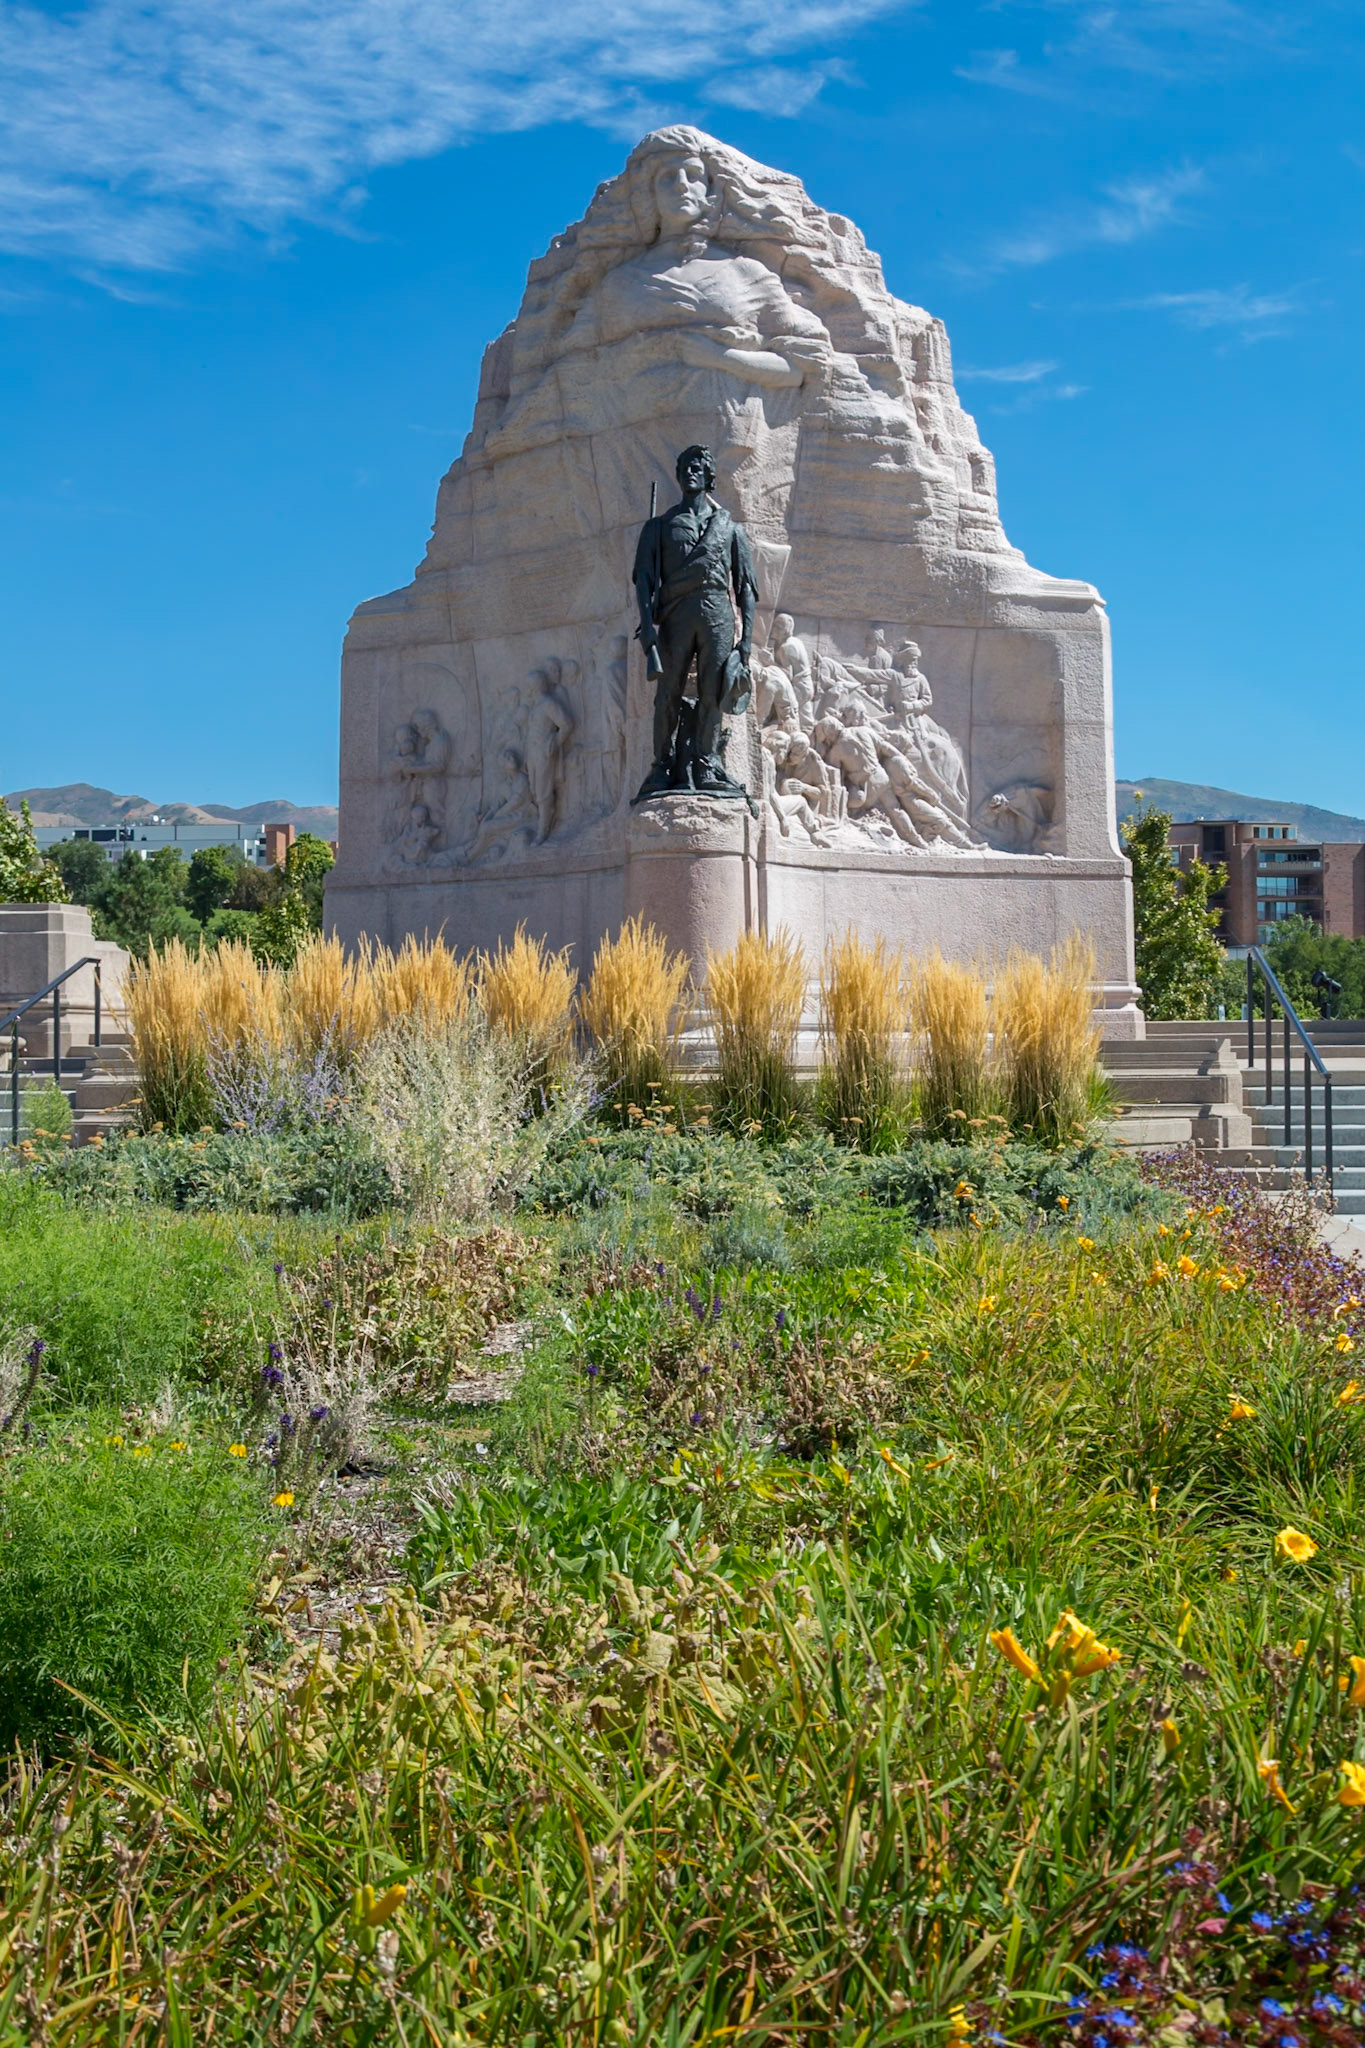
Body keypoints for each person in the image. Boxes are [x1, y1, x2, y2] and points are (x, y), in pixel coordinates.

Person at [632, 444, 759, 801]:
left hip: (718, 612)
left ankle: (705, 763)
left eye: (698, 467)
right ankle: (661, 765)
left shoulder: (730, 529)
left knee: (713, 693)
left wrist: (747, 639)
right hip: (676, 614)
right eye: (685, 466)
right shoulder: (659, 527)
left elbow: (745, 587)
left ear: (709, 477)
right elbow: (643, 582)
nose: (691, 471)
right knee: (667, 693)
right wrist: (648, 632)